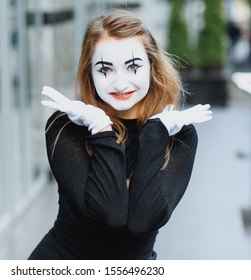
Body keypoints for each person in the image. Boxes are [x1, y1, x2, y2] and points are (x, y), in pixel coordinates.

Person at [28, 9, 212, 260]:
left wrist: (155, 132)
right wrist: (101, 129)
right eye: (105, 70)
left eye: (133, 67)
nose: (120, 83)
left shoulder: (178, 135)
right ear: (89, 73)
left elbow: (143, 220)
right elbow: (110, 214)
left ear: (151, 66)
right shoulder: (65, 128)